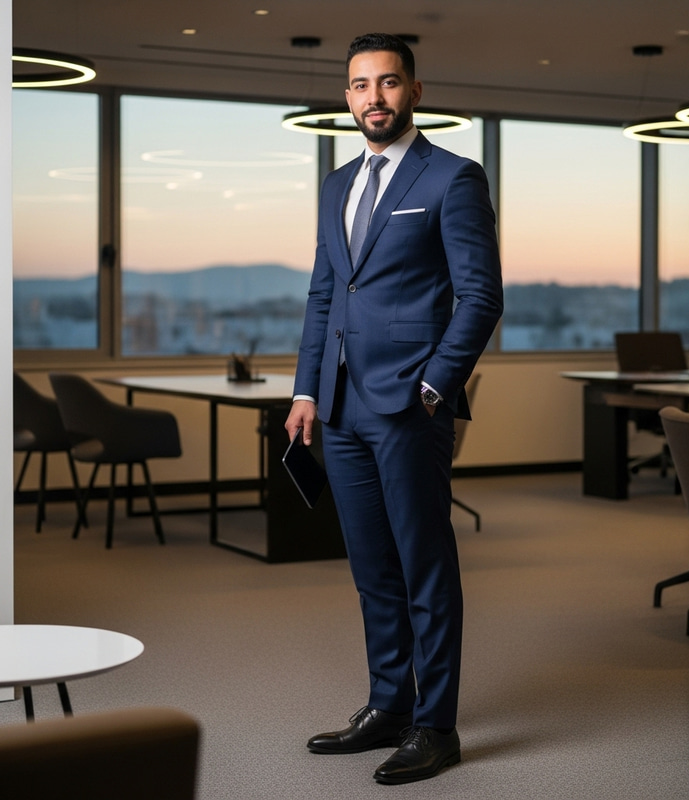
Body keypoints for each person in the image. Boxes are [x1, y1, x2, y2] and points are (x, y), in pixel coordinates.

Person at [285, 32, 503, 785]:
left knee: (424, 568)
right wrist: (306, 389)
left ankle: (436, 725)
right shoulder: (336, 185)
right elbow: (324, 295)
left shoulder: (453, 178)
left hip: (411, 407)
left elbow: (481, 296)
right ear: (346, 97)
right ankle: (389, 705)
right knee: (373, 569)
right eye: (358, 85)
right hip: (340, 407)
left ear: (413, 91)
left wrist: (435, 387)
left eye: (386, 83)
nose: (371, 97)